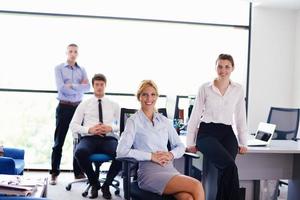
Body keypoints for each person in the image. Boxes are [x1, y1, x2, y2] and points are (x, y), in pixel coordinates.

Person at [117, 80, 205, 200]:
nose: (149, 98)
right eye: (145, 94)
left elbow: (179, 145)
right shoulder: (133, 121)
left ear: (157, 97)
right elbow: (121, 151)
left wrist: (171, 154)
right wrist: (150, 156)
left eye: (153, 94)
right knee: (196, 185)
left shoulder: (164, 120)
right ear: (139, 97)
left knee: (187, 198)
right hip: (149, 173)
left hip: (169, 169)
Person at [186, 54, 248, 200]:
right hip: (207, 132)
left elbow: (240, 116)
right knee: (229, 166)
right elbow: (195, 115)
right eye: (220, 66)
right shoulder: (205, 88)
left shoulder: (238, 89)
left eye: (227, 66)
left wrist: (243, 142)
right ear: (215, 67)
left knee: (225, 172)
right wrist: (190, 142)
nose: (223, 70)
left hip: (227, 132)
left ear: (232, 68)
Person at [70, 73, 122, 199]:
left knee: (121, 154)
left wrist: (111, 128)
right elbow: (73, 125)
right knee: (79, 152)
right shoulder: (84, 104)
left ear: (105, 86)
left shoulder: (113, 104)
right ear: (93, 86)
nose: (99, 87)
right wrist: (90, 129)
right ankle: (94, 183)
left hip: (108, 138)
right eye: (97, 85)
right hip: (89, 138)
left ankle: (107, 185)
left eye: (101, 85)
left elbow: (124, 125)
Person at [50, 43, 90, 185]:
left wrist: (72, 86)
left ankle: (78, 172)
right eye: (70, 51)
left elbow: (88, 87)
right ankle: (54, 173)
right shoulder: (59, 68)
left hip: (79, 108)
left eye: (75, 52)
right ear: (66, 53)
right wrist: (79, 87)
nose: (73, 54)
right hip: (64, 107)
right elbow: (61, 88)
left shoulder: (82, 69)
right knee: (58, 142)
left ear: (78, 54)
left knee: (78, 141)